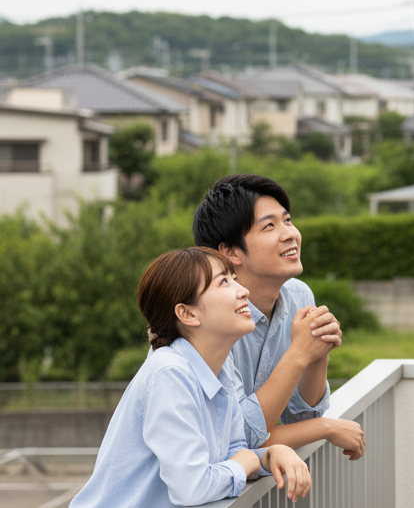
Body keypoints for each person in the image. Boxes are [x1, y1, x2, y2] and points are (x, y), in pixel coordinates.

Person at [71, 248, 310, 508]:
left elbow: (235, 452)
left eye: (234, 279)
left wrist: (270, 455)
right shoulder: (170, 373)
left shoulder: (221, 366)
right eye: (223, 282)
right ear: (187, 314)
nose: (242, 291)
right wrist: (243, 465)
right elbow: (192, 487)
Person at [192, 173, 366, 457]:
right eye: (269, 226)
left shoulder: (298, 295)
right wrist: (326, 427)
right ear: (231, 252)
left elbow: (302, 419)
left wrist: (318, 353)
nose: (290, 234)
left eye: (287, 220)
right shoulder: (210, 318)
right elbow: (238, 437)